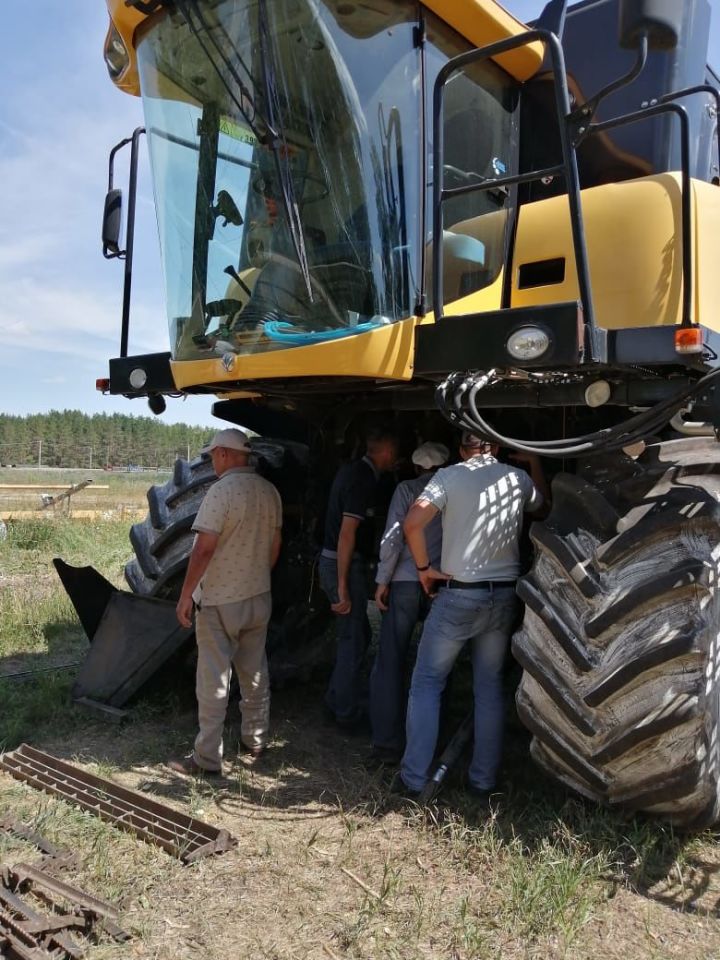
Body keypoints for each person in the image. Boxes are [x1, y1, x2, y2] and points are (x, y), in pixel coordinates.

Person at [396, 431, 547, 800]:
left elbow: (412, 523)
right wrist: (536, 464)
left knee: (428, 682)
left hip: (459, 595)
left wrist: (423, 567)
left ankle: (414, 777)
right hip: (503, 596)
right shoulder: (517, 478)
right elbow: (542, 509)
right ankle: (482, 780)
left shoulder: (448, 475)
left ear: (462, 450)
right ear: (495, 447)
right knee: (489, 687)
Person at [169, 428, 282, 776]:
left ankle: (206, 759)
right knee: (254, 671)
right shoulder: (269, 491)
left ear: (223, 454)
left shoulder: (221, 492)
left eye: (213, 455)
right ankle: (255, 740)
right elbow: (275, 545)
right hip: (258, 596)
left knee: (214, 680)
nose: (212, 461)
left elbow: (203, 548)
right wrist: (257, 575)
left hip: (220, 599)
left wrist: (186, 594)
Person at [369, 441, 450, 764]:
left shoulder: (406, 489)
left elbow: (393, 537)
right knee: (438, 664)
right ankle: (434, 738)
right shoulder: (452, 487)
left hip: (404, 580)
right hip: (441, 582)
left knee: (391, 659)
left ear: (416, 466)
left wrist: (382, 581)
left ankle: (386, 742)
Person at [318, 427, 399, 729]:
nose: (396, 458)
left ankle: (336, 699)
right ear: (386, 451)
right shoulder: (362, 479)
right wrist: (342, 586)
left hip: (337, 562)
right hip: (341, 564)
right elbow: (346, 534)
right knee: (352, 639)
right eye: (395, 452)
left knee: (358, 634)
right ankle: (346, 714)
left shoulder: (353, 471)